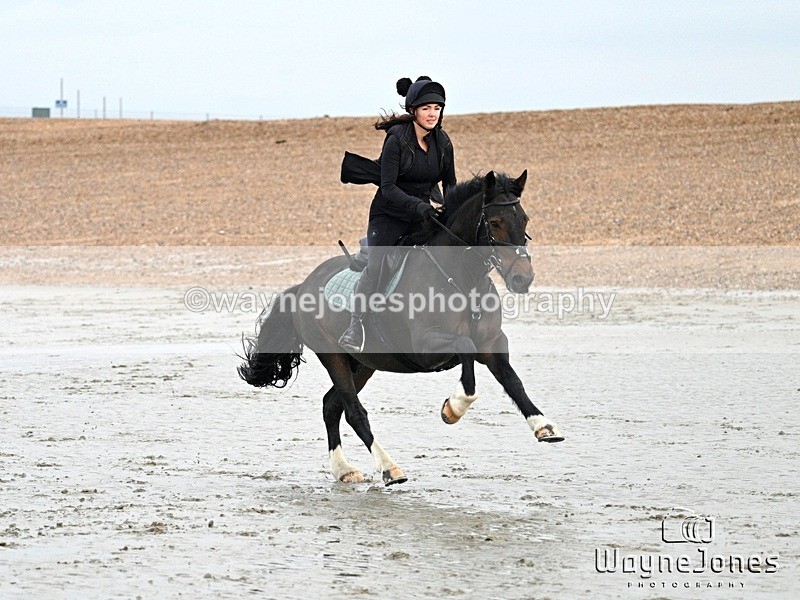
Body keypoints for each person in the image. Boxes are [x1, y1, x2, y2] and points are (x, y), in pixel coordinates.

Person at [338, 75, 457, 353]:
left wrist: (450, 211)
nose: (432, 114)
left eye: (437, 108)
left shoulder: (443, 142)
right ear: (413, 110)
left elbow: (450, 183)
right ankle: (355, 325)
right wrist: (418, 206)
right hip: (388, 215)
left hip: (424, 214)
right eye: (426, 108)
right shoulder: (397, 141)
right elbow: (389, 187)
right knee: (378, 265)